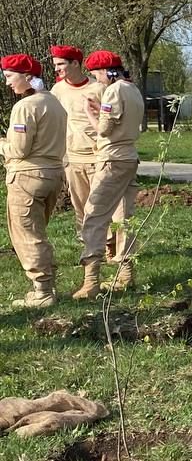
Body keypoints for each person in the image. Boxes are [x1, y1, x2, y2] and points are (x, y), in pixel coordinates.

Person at [74, 50, 144, 299]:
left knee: (94, 215)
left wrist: (92, 113)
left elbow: (104, 130)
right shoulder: (132, 89)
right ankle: (126, 273)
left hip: (111, 159)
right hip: (129, 157)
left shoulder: (113, 91)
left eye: (96, 75)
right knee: (124, 216)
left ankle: (90, 281)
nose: (96, 80)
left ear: (106, 71)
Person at [1, 53, 67, 308]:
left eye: (9, 77)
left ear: (27, 77)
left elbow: (19, 149)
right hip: (52, 174)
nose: (7, 83)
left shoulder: (25, 106)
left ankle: (43, 291)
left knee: (27, 234)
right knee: (37, 232)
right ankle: (47, 283)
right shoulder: (53, 102)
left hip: (28, 176)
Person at [49, 45, 101, 244]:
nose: (57, 69)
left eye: (61, 64)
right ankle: (86, 242)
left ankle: (106, 242)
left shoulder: (97, 88)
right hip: (72, 157)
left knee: (98, 203)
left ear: (76, 63)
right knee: (79, 203)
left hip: (97, 156)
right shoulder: (57, 90)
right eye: (55, 65)